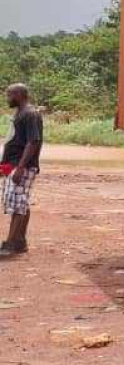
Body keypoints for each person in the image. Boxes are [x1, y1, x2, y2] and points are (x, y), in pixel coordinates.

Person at [1, 84, 42, 258]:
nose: (7, 98)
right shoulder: (20, 113)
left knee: (17, 205)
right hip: (14, 165)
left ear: (18, 95)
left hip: (21, 166)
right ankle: (19, 242)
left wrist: (20, 167)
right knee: (20, 203)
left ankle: (11, 244)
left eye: (9, 95)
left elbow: (33, 142)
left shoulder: (30, 114)